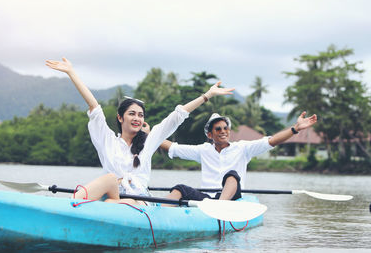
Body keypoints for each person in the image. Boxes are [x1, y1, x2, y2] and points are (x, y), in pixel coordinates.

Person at [46, 57, 234, 205]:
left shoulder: (149, 141)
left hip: (139, 201)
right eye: (132, 114)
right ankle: (72, 206)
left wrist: (207, 95)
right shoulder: (107, 140)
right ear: (120, 118)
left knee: (126, 201)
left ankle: (107, 205)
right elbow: (94, 107)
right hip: (113, 194)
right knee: (110, 178)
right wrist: (71, 73)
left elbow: (177, 116)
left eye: (140, 115)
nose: (137, 118)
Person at [160, 111, 317, 204]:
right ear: (210, 135)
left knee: (232, 175)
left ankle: (220, 208)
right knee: (180, 188)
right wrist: (149, 135)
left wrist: (295, 129)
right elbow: (174, 147)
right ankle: (157, 215)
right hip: (207, 198)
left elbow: (272, 141)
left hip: (231, 200)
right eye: (218, 129)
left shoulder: (243, 148)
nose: (223, 131)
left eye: (226, 128)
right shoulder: (203, 150)